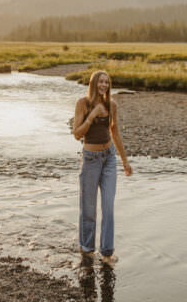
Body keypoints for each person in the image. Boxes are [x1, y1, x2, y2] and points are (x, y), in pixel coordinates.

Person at [72, 70, 132, 265]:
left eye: (107, 82)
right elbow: (77, 134)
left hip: (109, 159)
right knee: (88, 209)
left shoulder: (112, 105)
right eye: (100, 82)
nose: (104, 85)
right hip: (90, 160)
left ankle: (107, 253)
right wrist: (92, 116)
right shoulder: (83, 103)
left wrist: (124, 161)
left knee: (108, 207)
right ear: (93, 84)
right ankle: (87, 249)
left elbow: (116, 133)